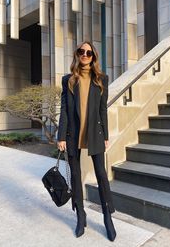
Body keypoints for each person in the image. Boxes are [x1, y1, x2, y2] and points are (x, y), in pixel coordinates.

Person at [57, 41, 116, 241]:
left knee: (101, 174)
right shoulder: (68, 80)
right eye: (81, 51)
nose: (85, 54)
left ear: (93, 56)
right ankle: (80, 216)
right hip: (73, 134)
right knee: (75, 175)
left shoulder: (101, 79)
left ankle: (107, 217)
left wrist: (106, 134)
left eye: (88, 52)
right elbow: (64, 110)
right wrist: (61, 136)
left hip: (95, 133)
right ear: (77, 54)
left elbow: (102, 110)